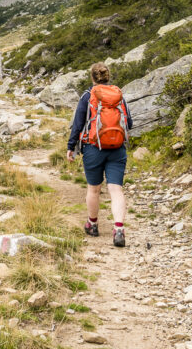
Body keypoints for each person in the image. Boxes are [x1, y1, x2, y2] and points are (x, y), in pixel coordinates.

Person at [66, 62, 133, 247]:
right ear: (107, 76)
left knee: (94, 188)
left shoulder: (88, 96)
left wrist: (71, 146)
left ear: (92, 77)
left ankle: (93, 224)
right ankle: (119, 229)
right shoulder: (119, 96)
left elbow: (78, 124)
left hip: (93, 148)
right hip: (117, 149)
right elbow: (129, 123)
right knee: (116, 189)